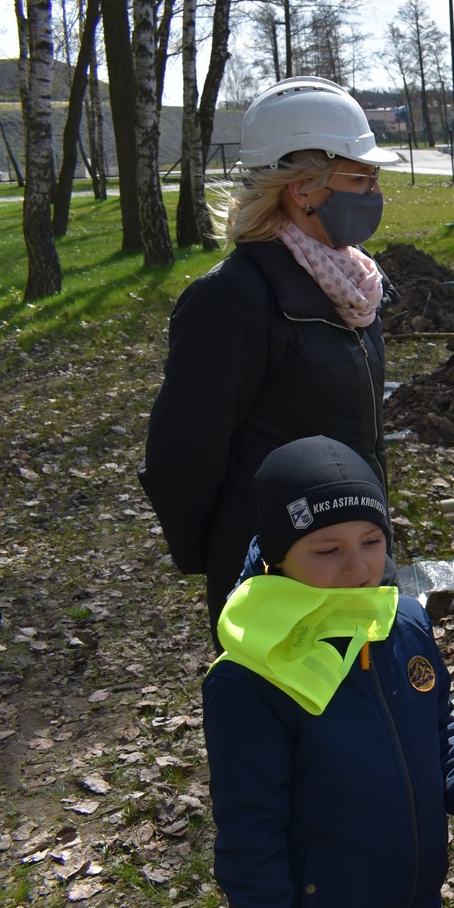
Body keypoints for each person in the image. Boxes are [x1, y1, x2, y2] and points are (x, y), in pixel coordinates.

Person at [202, 435, 454, 908]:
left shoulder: (403, 620)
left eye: (372, 540)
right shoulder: (249, 679)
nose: (357, 567)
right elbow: (252, 843)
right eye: (326, 549)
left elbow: (441, 733)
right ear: (276, 555)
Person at [140, 76, 400, 642]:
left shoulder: (350, 285)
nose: (375, 191)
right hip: (281, 576)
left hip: (358, 556)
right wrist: (233, 558)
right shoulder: (231, 300)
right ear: (303, 187)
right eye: (361, 177)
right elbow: (180, 458)